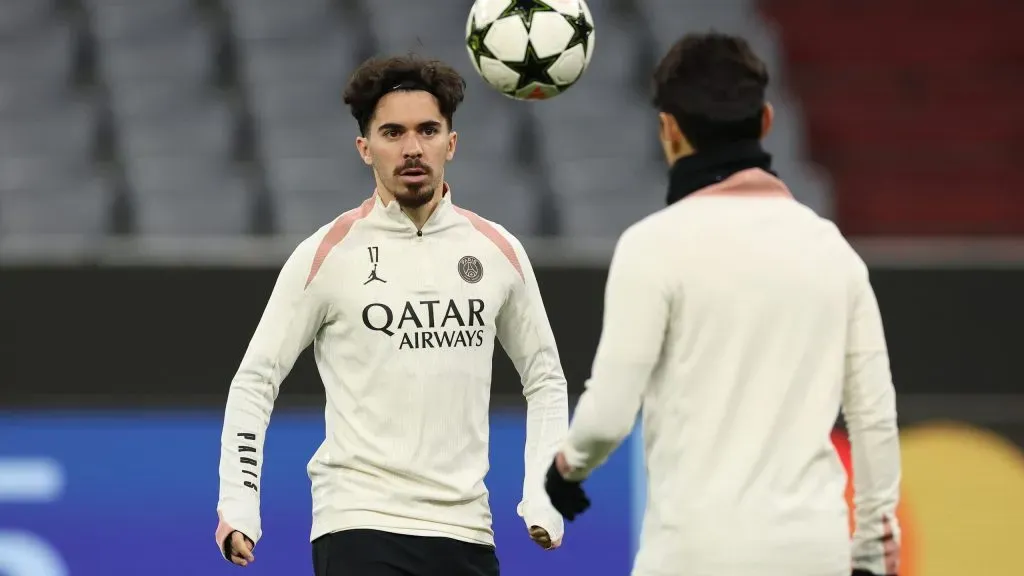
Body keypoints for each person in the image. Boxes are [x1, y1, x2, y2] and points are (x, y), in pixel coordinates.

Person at [543, 32, 902, 576]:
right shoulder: (833, 251)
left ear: (668, 130)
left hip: (695, 554)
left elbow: (610, 412)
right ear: (766, 122)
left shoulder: (652, 246)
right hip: (813, 553)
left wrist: (567, 469)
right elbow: (873, 416)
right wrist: (873, 549)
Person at [215, 54, 569, 576]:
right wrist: (239, 503)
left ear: (451, 142)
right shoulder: (327, 255)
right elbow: (255, 380)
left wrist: (542, 496)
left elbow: (545, 378)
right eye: (392, 133)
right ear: (365, 148)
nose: (412, 148)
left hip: (467, 532)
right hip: (359, 526)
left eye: (428, 130)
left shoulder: (498, 251)